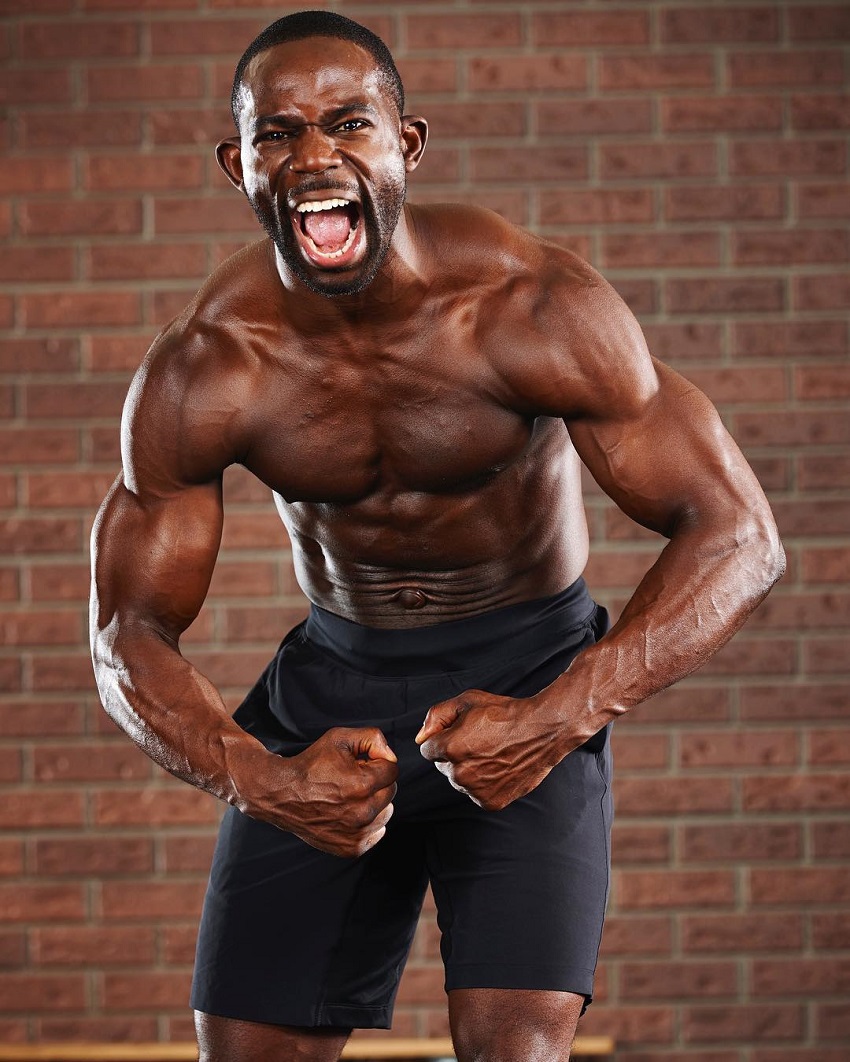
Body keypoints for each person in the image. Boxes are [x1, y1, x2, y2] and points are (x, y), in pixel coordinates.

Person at [89, 10, 785, 1062]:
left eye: (347, 124)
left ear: (403, 145)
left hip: (529, 667)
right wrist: (258, 777)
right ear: (239, 166)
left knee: (515, 1050)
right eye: (277, 135)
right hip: (331, 685)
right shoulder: (207, 366)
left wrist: (560, 717)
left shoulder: (532, 308)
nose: (314, 156)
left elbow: (738, 536)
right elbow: (125, 630)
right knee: (246, 1053)